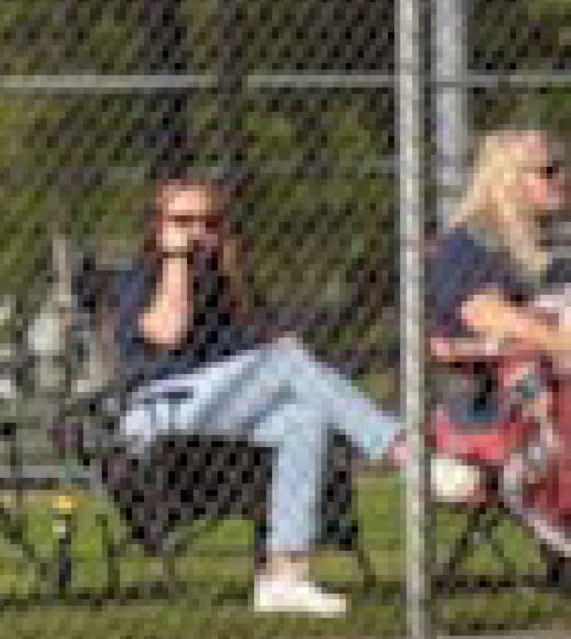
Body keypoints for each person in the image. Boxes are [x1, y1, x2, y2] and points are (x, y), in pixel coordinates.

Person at [116, 177, 471, 616]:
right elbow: (168, 333)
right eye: (182, 221)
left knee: (304, 417)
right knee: (287, 360)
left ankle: (284, 576)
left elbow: (253, 352)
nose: (197, 233)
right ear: (158, 227)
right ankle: (409, 456)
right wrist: (174, 258)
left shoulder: (224, 282)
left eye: (209, 223)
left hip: (217, 406)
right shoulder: (144, 273)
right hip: (158, 410)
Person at [427, 128, 571, 549]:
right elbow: (487, 315)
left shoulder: (545, 244)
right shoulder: (472, 242)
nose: (561, 177)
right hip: (490, 402)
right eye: (548, 171)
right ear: (509, 179)